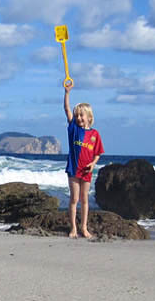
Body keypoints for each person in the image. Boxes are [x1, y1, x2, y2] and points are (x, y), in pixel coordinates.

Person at [63, 81, 104, 239]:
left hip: (86, 170)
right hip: (73, 168)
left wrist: (93, 164)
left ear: (89, 117)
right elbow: (67, 109)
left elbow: (98, 152)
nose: (79, 118)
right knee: (74, 199)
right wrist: (67, 93)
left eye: (82, 115)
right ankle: (73, 228)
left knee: (84, 199)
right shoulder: (74, 129)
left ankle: (84, 228)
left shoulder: (95, 134)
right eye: (77, 115)